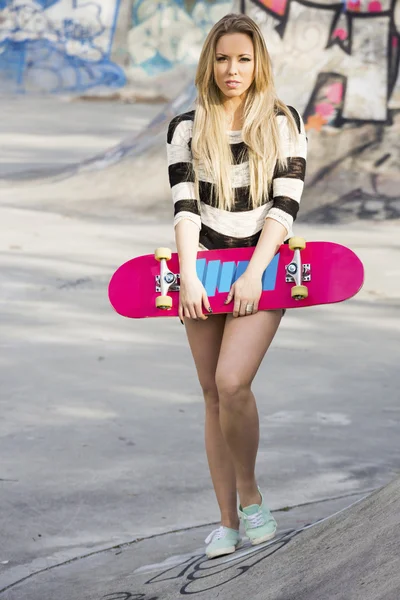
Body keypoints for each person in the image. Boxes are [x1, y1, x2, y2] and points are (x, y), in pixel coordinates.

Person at [166, 13, 307, 559]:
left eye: (243, 59)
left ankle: (250, 498)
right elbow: (185, 209)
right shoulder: (185, 127)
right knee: (210, 394)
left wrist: (254, 272)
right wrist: (188, 276)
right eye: (223, 58)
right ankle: (226, 522)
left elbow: (285, 206)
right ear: (210, 63)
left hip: (261, 269)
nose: (232, 69)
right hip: (203, 269)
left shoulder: (283, 122)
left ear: (258, 63)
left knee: (231, 382)